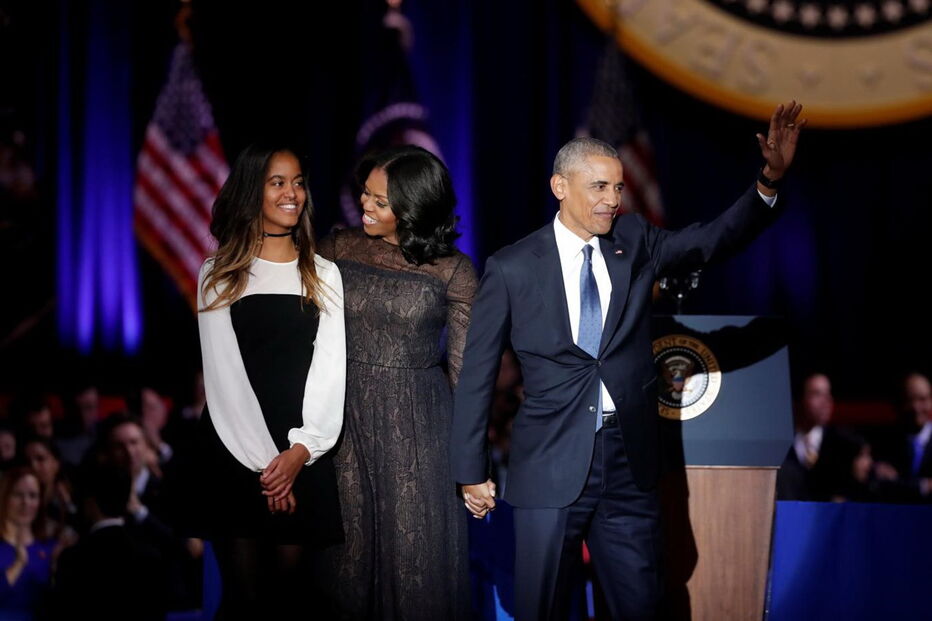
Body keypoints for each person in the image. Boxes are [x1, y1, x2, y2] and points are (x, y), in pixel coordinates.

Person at [451, 102, 806, 620]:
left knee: (642, 607)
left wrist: (768, 181)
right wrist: (470, 469)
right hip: (548, 463)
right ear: (560, 187)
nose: (613, 200)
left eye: (618, 188)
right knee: (540, 609)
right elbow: (478, 374)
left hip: (628, 464)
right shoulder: (511, 268)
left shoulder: (634, 240)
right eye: (599, 187)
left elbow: (710, 241)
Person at [317, 145, 477, 620]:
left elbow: (466, 377)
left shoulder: (454, 270)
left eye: (380, 201)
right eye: (365, 194)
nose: (365, 206)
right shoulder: (337, 247)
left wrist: (470, 464)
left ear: (415, 207)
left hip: (419, 430)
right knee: (344, 563)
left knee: (416, 564)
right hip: (341, 421)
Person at [193, 143, 346, 619]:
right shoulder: (218, 273)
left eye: (298, 182)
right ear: (251, 191)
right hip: (234, 450)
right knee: (244, 602)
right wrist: (269, 467)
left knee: (293, 602)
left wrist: (300, 452)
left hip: (305, 452)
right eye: (277, 182)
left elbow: (331, 369)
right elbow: (225, 378)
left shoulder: (323, 273)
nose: (292, 193)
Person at [0, 467, 57, 620]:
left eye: (33, 496)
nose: (26, 503)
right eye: (18, 495)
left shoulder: (50, 547)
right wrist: (18, 565)